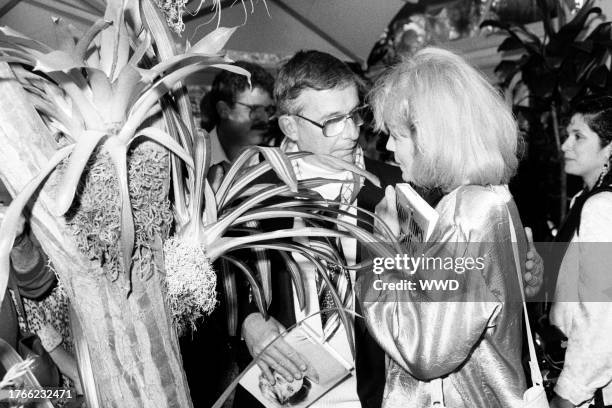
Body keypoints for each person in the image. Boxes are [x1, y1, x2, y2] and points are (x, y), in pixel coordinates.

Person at [236, 49, 542, 408]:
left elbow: (448, 314)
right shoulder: (255, 192)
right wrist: (248, 322)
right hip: (289, 391)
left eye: (355, 115)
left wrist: (526, 279)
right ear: (290, 126)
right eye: (333, 120)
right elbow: (231, 278)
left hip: (376, 392)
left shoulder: (412, 186)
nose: (352, 133)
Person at [360, 47, 528, 407]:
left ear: (431, 137)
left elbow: (425, 350)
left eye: (397, 135)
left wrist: (383, 253)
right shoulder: (493, 197)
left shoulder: (467, 214)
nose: (388, 146)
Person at [547, 96, 612, 408]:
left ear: (609, 149)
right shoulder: (583, 201)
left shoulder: (603, 208)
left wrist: (568, 394)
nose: (565, 146)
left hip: (594, 389)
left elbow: (602, 318)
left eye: (579, 137)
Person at [205, 60, 276, 186]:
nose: (264, 119)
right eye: (254, 109)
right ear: (223, 110)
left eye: (268, 110)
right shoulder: (194, 160)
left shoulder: (275, 163)